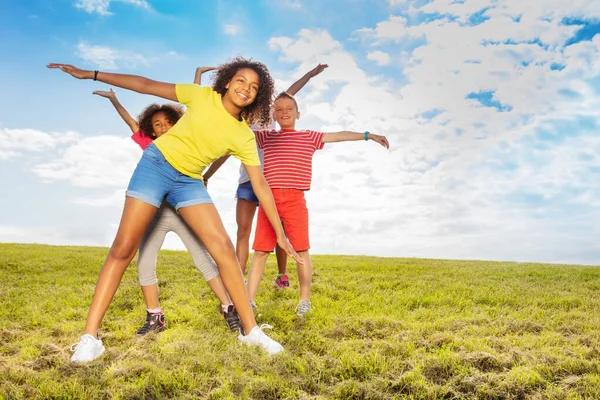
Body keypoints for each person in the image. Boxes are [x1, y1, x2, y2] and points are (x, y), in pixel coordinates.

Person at [48, 57, 302, 362]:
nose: (246, 88)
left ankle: (251, 333)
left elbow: (260, 185)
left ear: (258, 96)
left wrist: (280, 233)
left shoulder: (242, 135)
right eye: (240, 81)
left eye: (253, 86)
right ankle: (90, 338)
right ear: (226, 82)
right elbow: (145, 85)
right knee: (123, 248)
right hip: (156, 165)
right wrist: (91, 74)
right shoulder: (201, 97)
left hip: (189, 181)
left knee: (222, 247)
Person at [92, 67, 239, 335]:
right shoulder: (150, 146)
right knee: (145, 262)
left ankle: (229, 307)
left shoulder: (186, 136)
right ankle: (154, 317)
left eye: (167, 123)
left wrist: (196, 76)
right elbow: (130, 122)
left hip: (181, 210)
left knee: (203, 258)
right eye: (156, 125)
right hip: (155, 212)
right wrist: (115, 100)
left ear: (176, 123)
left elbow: (191, 106)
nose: (162, 127)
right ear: (152, 129)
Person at [246, 91, 390, 316]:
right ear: (273, 114)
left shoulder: (308, 136)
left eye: (289, 109)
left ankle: (304, 300)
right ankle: (249, 300)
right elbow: (239, 131)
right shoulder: (266, 137)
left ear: (298, 113)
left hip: (295, 200)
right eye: (279, 109)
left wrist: (368, 135)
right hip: (269, 200)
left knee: (302, 251)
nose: (284, 113)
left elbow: (339, 136)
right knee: (261, 251)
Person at [203, 64, 328, 291]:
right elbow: (225, 153)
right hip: (247, 182)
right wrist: (208, 174)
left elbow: (290, 93)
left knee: (280, 228)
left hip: (273, 181)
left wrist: (310, 74)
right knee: (244, 231)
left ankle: (282, 274)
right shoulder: (238, 121)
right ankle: (238, 282)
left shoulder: (269, 114)